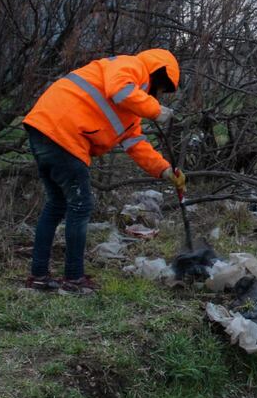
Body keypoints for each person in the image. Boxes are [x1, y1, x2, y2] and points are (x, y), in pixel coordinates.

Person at [22, 49, 186, 293]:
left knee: (57, 204)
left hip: (45, 129)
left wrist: (164, 170)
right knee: (81, 205)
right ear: (158, 74)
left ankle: (39, 276)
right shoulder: (131, 66)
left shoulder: (129, 114)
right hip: (63, 133)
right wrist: (156, 110)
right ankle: (73, 279)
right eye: (161, 89)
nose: (158, 95)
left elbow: (136, 144)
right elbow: (120, 90)